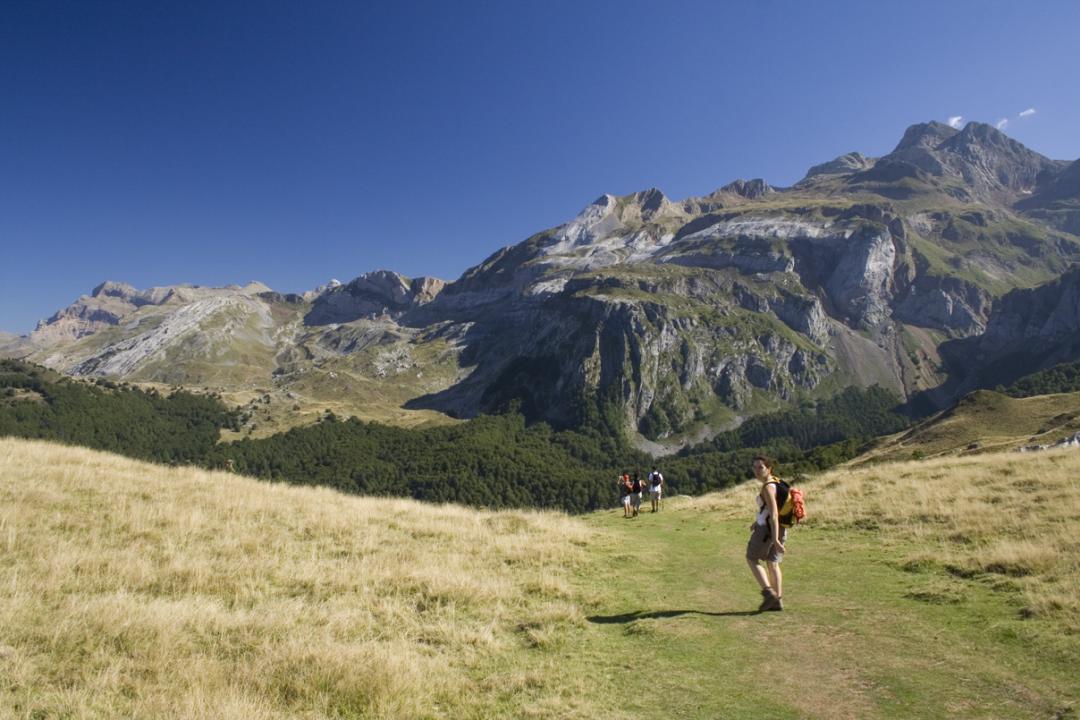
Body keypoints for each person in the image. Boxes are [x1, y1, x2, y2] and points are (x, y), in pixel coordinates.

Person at [745, 455, 787, 611]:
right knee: (772, 563)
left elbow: (774, 513)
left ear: (769, 468)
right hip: (780, 528)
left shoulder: (768, 487)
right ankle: (778, 600)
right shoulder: (776, 482)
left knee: (751, 558)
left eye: (760, 467)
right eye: (754, 467)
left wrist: (775, 539)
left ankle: (769, 593)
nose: (756, 471)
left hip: (768, 531)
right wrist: (757, 521)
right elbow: (769, 510)